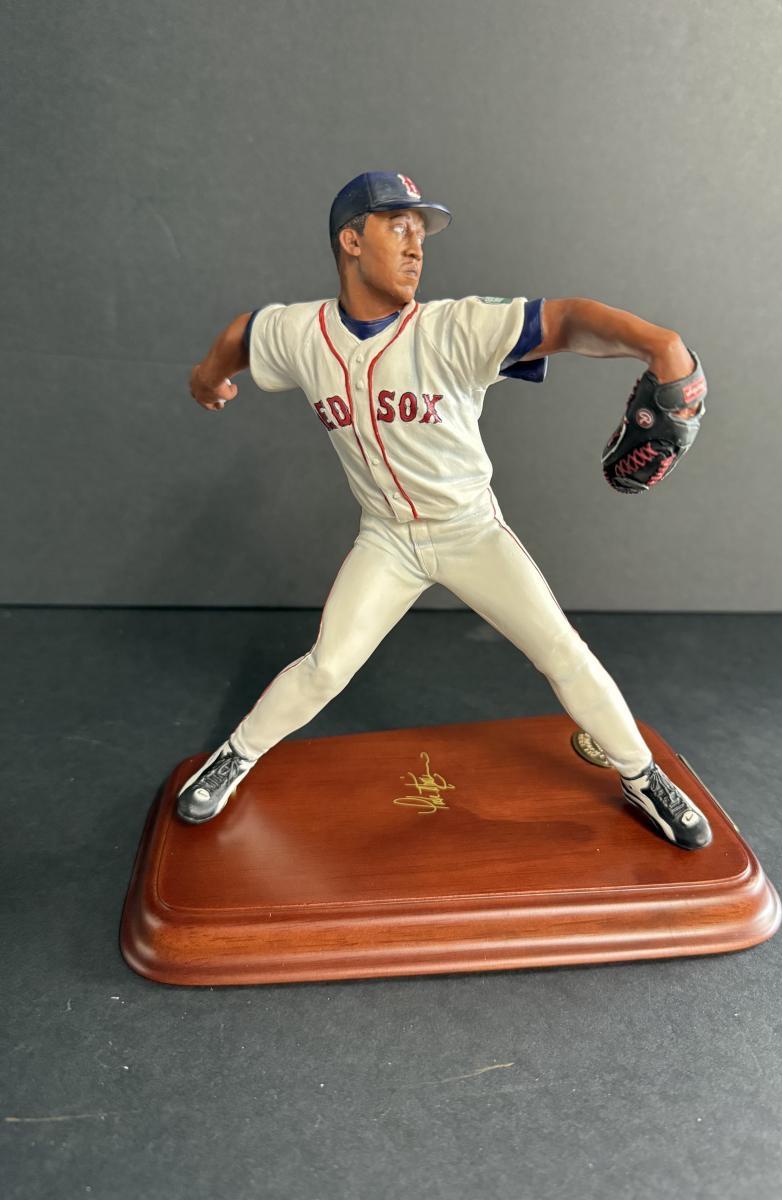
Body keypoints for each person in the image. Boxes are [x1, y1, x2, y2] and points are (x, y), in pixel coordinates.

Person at [177, 171, 712, 851]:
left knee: (562, 652)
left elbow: (568, 320)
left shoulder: (454, 327)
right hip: (387, 541)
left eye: (421, 234)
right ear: (350, 240)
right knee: (327, 667)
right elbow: (246, 333)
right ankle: (236, 755)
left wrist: (660, 344)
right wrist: (209, 374)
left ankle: (641, 775)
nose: (416, 246)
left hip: (469, 532)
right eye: (398, 227)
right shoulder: (303, 333)